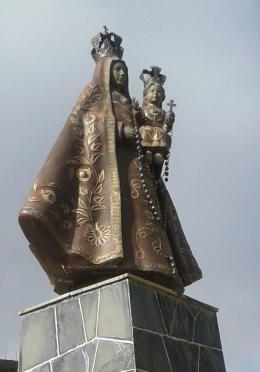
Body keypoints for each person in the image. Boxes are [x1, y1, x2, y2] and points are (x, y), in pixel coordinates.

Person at [18, 28, 201, 294]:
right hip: (106, 175)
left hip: (135, 170)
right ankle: (104, 260)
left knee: (141, 219)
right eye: (117, 70)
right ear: (104, 71)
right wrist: (127, 132)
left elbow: (149, 131)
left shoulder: (131, 104)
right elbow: (91, 123)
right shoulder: (96, 99)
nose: (122, 74)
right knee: (114, 218)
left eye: (123, 70)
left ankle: (149, 264)